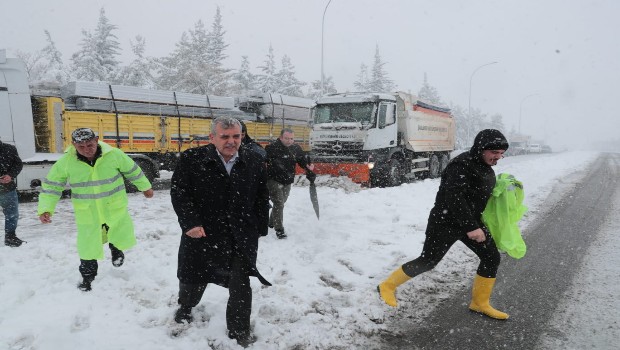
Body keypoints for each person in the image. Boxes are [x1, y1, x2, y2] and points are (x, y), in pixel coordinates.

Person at [377, 129, 511, 320]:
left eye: (501, 153)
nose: (499, 157)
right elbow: (454, 197)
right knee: (428, 261)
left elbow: (475, 190)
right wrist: (471, 227)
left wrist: (502, 188)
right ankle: (387, 286)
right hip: (445, 222)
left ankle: (480, 303)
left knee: (491, 257)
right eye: (494, 153)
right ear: (481, 148)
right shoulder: (461, 165)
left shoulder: (484, 165)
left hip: (470, 222)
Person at [170, 116, 270, 347]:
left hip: (239, 233)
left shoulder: (254, 160)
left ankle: (239, 329)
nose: (231, 141)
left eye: (236, 136)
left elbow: (261, 196)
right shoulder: (192, 159)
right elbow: (180, 193)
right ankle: (186, 305)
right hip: (202, 231)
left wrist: (259, 227)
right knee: (193, 275)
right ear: (212, 137)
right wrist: (190, 224)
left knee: (240, 282)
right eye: (225, 136)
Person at [38, 128, 154, 291]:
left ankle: (116, 251)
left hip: (113, 206)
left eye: (90, 145)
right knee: (88, 244)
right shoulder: (66, 162)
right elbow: (52, 186)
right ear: (74, 145)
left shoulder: (114, 155)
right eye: (81, 147)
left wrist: (146, 188)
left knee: (116, 232)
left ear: (97, 140)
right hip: (88, 211)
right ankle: (87, 277)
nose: (87, 150)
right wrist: (45, 208)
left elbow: (133, 171)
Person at [265, 128, 315, 239]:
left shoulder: (296, 148)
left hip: (287, 180)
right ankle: (279, 229)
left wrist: (308, 167)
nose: (289, 141)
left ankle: (271, 223)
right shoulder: (272, 148)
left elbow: (302, 160)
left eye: (291, 138)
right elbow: (263, 162)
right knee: (279, 203)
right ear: (281, 137)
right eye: (286, 138)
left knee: (282, 202)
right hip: (273, 180)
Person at [0, 139, 24, 247]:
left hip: (7, 189)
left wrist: (10, 175)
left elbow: (18, 164)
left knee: (12, 214)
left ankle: (10, 237)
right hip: (6, 189)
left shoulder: (9, 148)